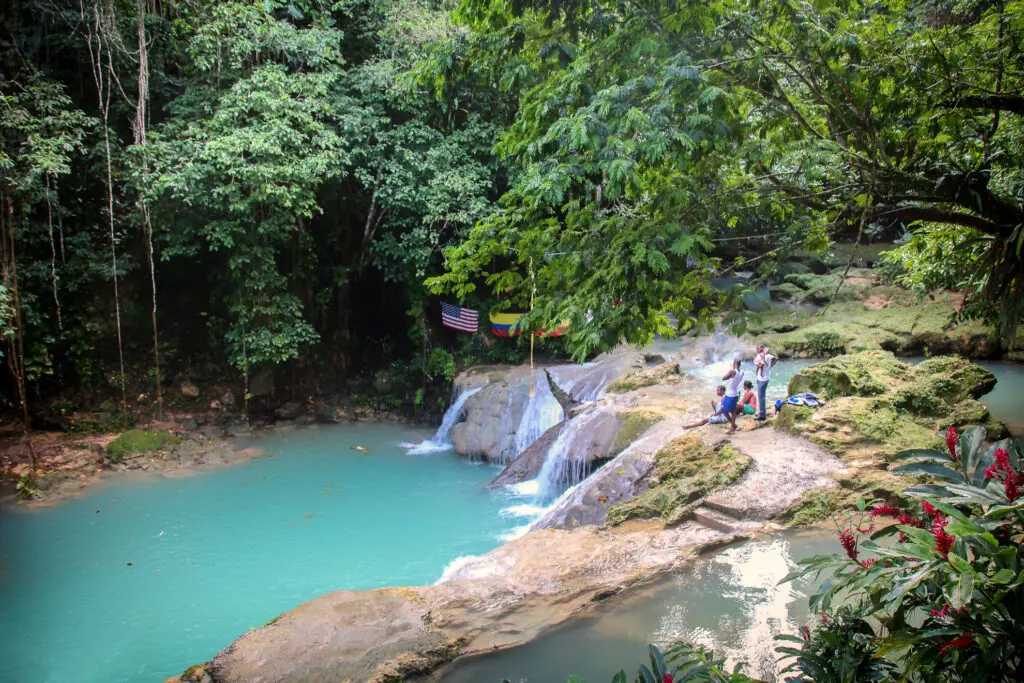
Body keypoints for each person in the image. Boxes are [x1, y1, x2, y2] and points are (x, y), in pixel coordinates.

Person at [721, 356, 744, 435]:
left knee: (723, 410)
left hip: (730, 394)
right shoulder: (742, 372)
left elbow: (723, 378)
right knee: (733, 411)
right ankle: (732, 428)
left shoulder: (732, 371)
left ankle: (733, 425)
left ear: (735, 363)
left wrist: (730, 374)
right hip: (736, 393)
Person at [754, 344, 777, 421]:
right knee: (762, 396)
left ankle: (762, 415)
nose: (757, 350)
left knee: (761, 397)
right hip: (766, 377)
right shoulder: (768, 355)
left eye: (758, 348)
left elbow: (760, 365)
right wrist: (770, 366)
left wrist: (757, 370)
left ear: (761, 348)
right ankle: (762, 412)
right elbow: (776, 358)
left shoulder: (760, 356)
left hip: (762, 379)